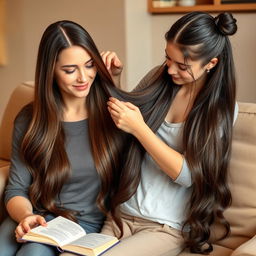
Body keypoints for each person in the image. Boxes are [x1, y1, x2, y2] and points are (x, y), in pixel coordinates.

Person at [100, 11, 239, 256]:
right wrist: (114, 80)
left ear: (211, 63)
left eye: (183, 66)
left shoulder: (221, 109)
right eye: (168, 58)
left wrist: (140, 129)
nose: (171, 69)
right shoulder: (159, 77)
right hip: (121, 216)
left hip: (164, 227)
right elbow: (124, 125)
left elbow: (188, 174)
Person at [0, 20, 125, 256]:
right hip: (37, 218)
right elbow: (16, 188)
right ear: (51, 72)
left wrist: (114, 81)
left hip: (82, 226)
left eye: (89, 65)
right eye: (70, 70)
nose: (83, 77)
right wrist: (27, 216)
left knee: (33, 253)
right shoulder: (29, 118)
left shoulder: (113, 114)